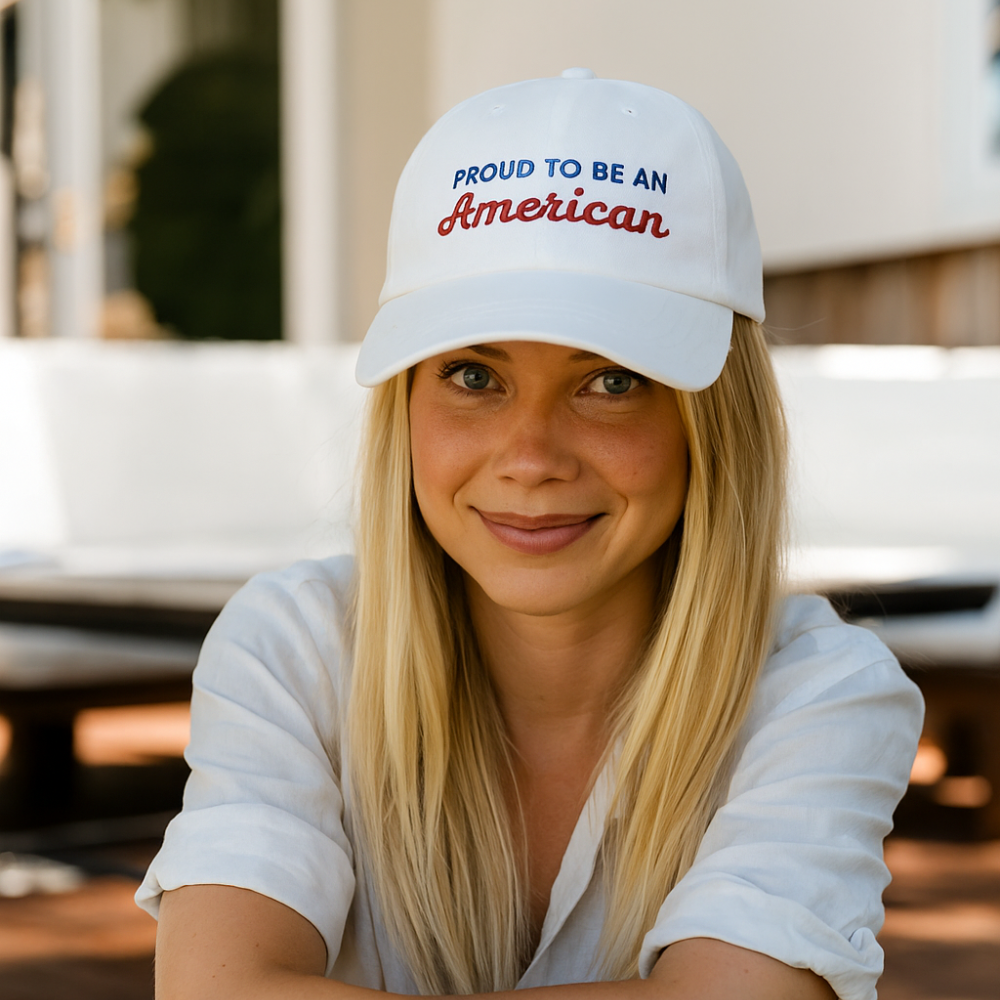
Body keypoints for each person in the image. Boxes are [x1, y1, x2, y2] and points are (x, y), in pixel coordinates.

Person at [138, 70, 923, 1000]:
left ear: (715, 422)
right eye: (474, 376)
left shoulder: (816, 695)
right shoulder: (297, 648)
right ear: (405, 405)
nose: (531, 458)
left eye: (613, 380)